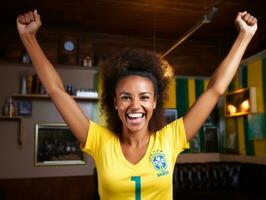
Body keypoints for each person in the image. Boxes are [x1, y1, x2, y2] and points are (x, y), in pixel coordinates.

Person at [16, 10, 257, 200]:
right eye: (125, 97)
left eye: (143, 97)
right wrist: (28, 37)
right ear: (115, 103)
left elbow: (215, 89)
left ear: (154, 102)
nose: (135, 105)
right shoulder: (99, 142)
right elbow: (56, 91)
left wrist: (244, 36)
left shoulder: (170, 139)